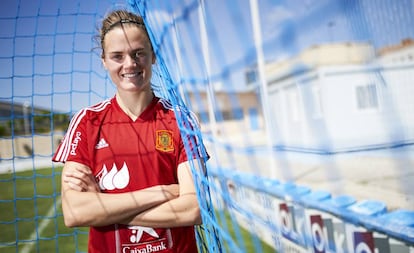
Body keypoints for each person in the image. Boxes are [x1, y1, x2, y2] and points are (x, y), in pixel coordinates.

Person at [52, 9, 208, 253]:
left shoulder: (181, 119)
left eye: (138, 53)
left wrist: (103, 209)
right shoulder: (86, 122)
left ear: (153, 56)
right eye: (117, 56)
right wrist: (162, 192)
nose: (130, 64)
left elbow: (194, 208)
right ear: (104, 61)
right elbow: (74, 212)